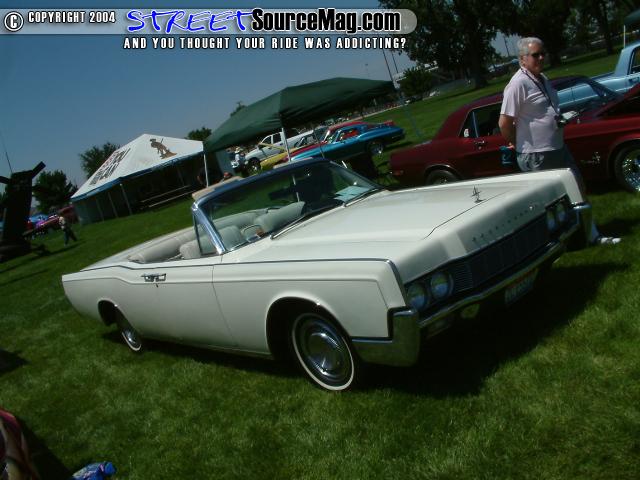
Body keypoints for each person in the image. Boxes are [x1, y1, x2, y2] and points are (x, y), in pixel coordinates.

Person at [499, 37, 620, 245]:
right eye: (535, 55)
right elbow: (504, 123)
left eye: (543, 53)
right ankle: (554, 244)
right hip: (536, 154)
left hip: (558, 147)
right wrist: (518, 145)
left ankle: (592, 235)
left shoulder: (542, 78)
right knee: (546, 203)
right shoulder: (517, 84)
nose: (541, 58)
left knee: (578, 188)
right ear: (522, 59)